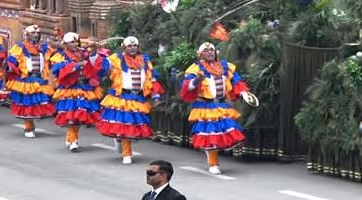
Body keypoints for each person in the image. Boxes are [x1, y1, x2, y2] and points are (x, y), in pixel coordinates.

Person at [180, 42, 258, 174]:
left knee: (228, 131)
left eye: (212, 50)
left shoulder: (225, 67)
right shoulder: (195, 68)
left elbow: (237, 82)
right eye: (206, 50)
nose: (210, 52)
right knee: (211, 135)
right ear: (200, 54)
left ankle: (213, 155)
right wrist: (197, 80)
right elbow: (187, 87)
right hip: (205, 106)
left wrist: (244, 93)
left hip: (221, 105)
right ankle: (213, 163)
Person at [96, 36, 163, 165]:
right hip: (121, 97)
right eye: (129, 46)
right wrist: (95, 54)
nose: (132, 48)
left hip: (138, 98)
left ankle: (120, 140)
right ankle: (127, 153)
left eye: (135, 46)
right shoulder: (116, 59)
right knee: (125, 126)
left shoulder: (144, 61)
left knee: (131, 127)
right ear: (124, 47)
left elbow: (152, 79)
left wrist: (155, 96)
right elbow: (103, 65)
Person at [50, 32, 102, 152]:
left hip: (83, 87)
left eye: (75, 42)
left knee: (78, 115)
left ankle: (72, 136)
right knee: (71, 117)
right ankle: (73, 139)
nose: (74, 44)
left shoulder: (83, 54)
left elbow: (96, 65)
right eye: (71, 42)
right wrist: (77, 65)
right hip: (69, 89)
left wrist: (93, 52)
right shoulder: (60, 56)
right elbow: (58, 70)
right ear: (65, 44)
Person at [5, 25, 55, 138]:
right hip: (26, 79)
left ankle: (33, 122)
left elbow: (54, 56)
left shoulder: (44, 48)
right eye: (33, 33)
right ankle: (29, 127)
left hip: (39, 79)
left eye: (38, 33)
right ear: (26, 35)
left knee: (39, 103)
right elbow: (12, 60)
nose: (36, 35)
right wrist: (10, 65)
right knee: (27, 103)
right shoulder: (20, 47)